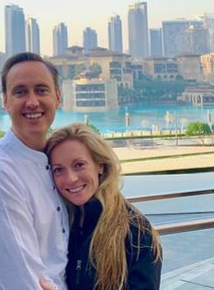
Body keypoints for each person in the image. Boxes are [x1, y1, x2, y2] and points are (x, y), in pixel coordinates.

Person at [0, 52, 69, 289]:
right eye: (20, 92)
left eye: (41, 90)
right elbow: (23, 282)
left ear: (58, 98)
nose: (32, 102)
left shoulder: (56, 164)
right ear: (6, 102)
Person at [46, 123, 162, 290]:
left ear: (100, 165)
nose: (71, 178)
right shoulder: (60, 224)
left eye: (79, 165)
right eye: (58, 170)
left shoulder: (135, 231)